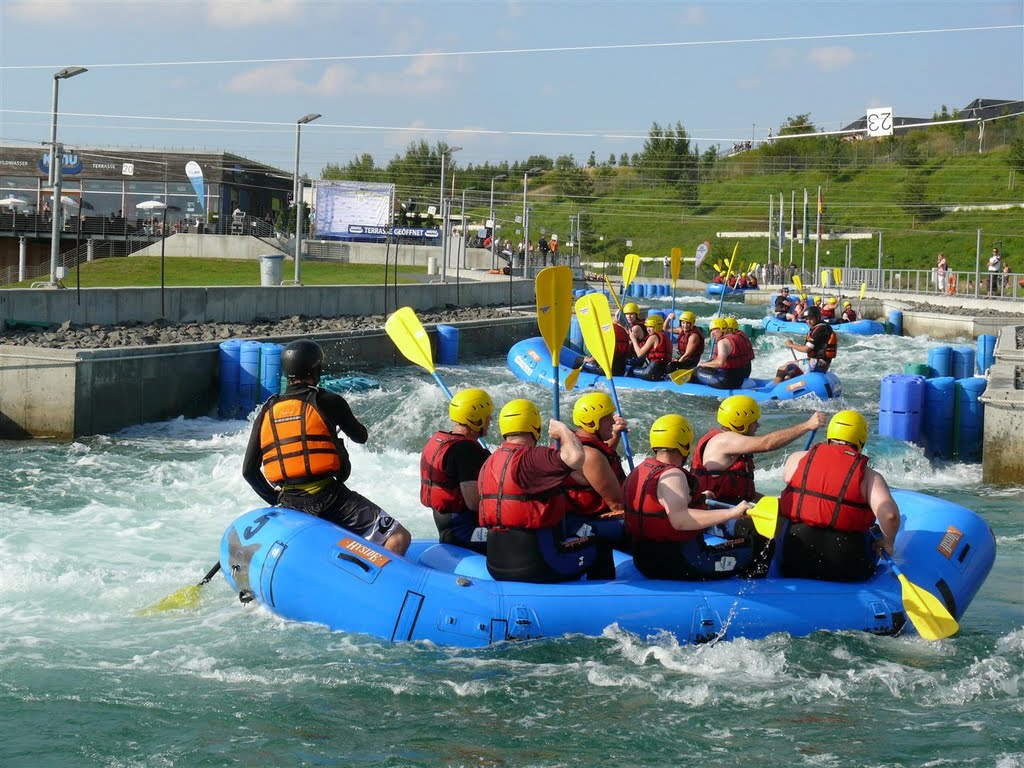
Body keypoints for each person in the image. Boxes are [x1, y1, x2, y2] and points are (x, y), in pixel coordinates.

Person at [242, 339, 411, 555]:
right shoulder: (328, 401)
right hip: (332, 500)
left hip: (289, 506)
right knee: (398, 537)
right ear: (316, 369)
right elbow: (361, 436)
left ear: (287, 373)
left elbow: (249, 471)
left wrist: (276, 500)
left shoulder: (267, 410)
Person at [478, 399, 614, 582]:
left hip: (495, 563)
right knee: (600, 543)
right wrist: (563, 431)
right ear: (535, 425)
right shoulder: (534, 457)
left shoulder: (489, 462)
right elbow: (576, 457)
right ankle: (604, 603)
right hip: (539, 563)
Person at [623, 414, 758, 581]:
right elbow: (680, 520)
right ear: (684, 443)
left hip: (643, 559)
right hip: (681, 562)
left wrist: (699, 499)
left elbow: (661, 503)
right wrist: (732, 513)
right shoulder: (673, 474)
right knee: (750, 547)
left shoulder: (639, 470)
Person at [777, 410, 900, 582]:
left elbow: (788, 480)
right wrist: (888, 542)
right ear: (861, 440)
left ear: (829, 436)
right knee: (876, 533)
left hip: (793, 556)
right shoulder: (870, 476)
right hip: (845, 564)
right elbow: (890, 516)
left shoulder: (796, 458)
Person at [691, 395, 826, 505]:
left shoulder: (732, 442)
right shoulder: (724, 440)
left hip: (728, 509)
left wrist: (776, 503)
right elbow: (767, 443)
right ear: (740, 423)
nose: (758, 425)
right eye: (754, 422)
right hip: (716, 514)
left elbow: (742, 492)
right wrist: (807, 426)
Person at [420, 388, 493, 552]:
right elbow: (474, 504)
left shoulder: (440, 440)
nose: (490, 419)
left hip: (446, 527)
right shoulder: (465, 449)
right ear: (476, 420)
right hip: (464, 533)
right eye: (487, 416)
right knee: (516, 537)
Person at [564, 393, 630, 548]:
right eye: (608, 417)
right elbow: (617, 504)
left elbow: (603, 459)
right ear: (592, 423)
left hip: (578, 518)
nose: (613, 420)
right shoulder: (590, 455)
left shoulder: (577, 441)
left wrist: (615, 436)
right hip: (580, 526)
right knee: (644, 519)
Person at [772, 305, 837, 384]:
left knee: (781, 370)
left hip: (817, 364)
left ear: (817, 317)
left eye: (811, 319)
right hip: (820, 364)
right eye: (806, 319)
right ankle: (786, 390)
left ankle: (773, 391)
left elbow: (806, 349)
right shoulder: (822, 328)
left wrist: (791, 345)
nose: (808, 321)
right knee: (788, 375)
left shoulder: (820, 329)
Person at [694, 318, 752, 390]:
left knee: (697, 371)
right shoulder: (741, 335)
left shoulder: (722, 342)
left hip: (726, 381)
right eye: (711, 331)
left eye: (715, 330)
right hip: (742, 376)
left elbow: (720, 363)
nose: (712, 333)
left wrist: (702, 364)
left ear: (722, 329)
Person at [627, 314, 671, 380]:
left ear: (657, 326)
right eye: (647, 327)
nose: (648, 329)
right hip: (662, 372)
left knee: (632, 369)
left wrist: (633, 339)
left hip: (651, 373)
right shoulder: (665, 336)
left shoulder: (653, 337)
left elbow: (639, 354)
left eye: (651, 327)